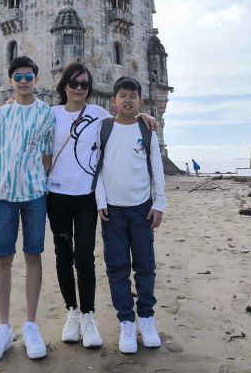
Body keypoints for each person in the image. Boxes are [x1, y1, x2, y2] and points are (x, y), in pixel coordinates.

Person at [47, 62, 156, 349]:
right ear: (64, 86)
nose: (79, 88)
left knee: (84, 257)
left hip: (87, 197)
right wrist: (10, 101)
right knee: (62, 255)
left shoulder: (98, 114)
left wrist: (143, 113)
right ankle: (72, 312)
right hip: (56, 196)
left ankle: (89, 316)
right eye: (74, 83)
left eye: (84, 84)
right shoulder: (50, 114)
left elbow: (125, 118)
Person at [0, 56, 55, 362]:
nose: (23, 81)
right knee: (3, 258)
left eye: (28, 76)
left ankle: (31, 325)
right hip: (3, 196)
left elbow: (48, 156)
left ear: (36, 80)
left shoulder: (47, 114)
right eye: (18, 76)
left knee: (33, 254)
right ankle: (2, 328)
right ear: (10, 81)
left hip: (35, 194)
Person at [95, 76, 166, 354]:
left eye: (132, 96)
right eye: (122, 95)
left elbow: (156, 169)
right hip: (112, 211)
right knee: (117, 268)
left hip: (141, 208)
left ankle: (146, 318)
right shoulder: (104, 128)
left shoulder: (147, 129)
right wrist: (100, 200)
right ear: (114, 100)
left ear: (140, 101)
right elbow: (97, 168)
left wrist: (159, 203)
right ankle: (126, 321)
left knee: (145, 266)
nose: (127, 100)